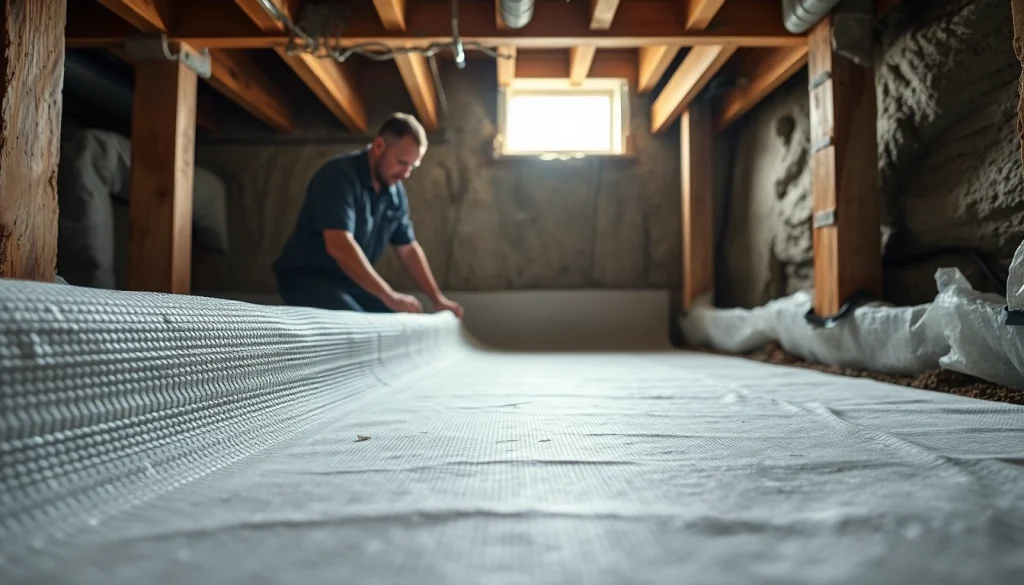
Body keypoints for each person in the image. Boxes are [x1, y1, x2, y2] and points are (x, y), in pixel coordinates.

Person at [272, 112, 464, 318]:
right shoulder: (338, 176)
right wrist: (387, 294)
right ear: (379, 146)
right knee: (357, 326)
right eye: (401, 162)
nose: (405, 173)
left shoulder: (395, 191)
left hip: (351, 282)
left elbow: (408, 250)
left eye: (412, 166)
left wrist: (437, 299)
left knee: (400, 319)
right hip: (308, 277)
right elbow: (339, 245)